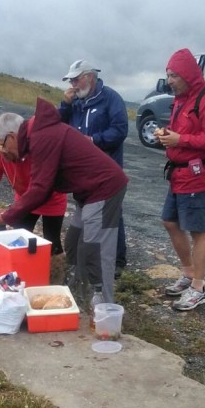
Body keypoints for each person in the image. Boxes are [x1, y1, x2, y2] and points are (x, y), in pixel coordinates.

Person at [0, 98, 128, 303]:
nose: (4, 153)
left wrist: (4, 216)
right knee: (74, 243)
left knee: (95, 250)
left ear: (12, 137)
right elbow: (42, 187)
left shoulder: (42, 137)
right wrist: (11, 213)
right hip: (86, 194)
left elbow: (40, 188)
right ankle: (76, 293)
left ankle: (102, 304)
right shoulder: (36, 136)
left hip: (104, 189)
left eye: (4, 146)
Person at [155, 48, 205, 311]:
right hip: (179, 174)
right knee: (169, 221)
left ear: (187, 74)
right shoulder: (181, 99)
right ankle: (188, 273)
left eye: (174, 75)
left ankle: (199, 286)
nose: (170, 80)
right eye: (168, 75)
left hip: (199, 176)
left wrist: (179, 140)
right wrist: (167, 135)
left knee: (198, 231)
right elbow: (185, 131)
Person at [58, 60, 130, 271]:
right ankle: (88, 259)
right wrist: (65, 105)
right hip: (82, 171)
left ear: (89, 77)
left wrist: (93, 141)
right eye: (70, 80)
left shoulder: (110, 98)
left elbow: (120, 130)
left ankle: (116, 261)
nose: (72, 84)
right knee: (86, 209)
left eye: (75, 79)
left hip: (107, 169)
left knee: (111, 212)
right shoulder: (76, 101)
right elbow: (60, 126)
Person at [0, 142, 68, 255]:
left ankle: (57, 268)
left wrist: (4, 216)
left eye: (5, 150)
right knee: (19, 239)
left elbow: (37, 193)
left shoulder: (35, 156)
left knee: (52, 243)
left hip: (52, 200)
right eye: (0, 150)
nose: (3, 154)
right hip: (23, 200)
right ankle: (24, 265)